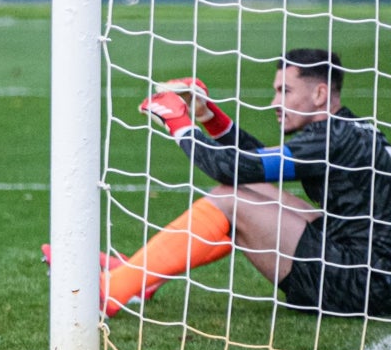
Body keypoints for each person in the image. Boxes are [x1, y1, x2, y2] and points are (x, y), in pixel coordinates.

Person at [103, 50, 391, 318]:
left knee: (230, 199)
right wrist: (207, 115)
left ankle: (112, 290)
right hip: (370, 266)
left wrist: (178, 123)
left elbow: (229, 169)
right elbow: (254, 166)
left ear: (319, 93)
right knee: (257, 190)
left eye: (284, 92)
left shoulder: (332, 139)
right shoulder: (348, 129)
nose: (275, 102)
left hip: (363, 285)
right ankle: (140, 275)